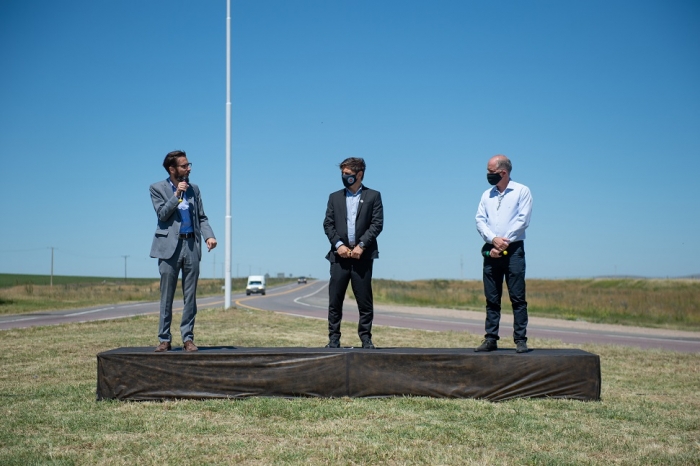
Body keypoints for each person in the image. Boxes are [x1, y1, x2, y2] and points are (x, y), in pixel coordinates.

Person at [150, 150, 217, 352]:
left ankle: (188, 338)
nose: (189, 168)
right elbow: (162, 214)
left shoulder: (194, 190)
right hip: (168, 248)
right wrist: (177, 194)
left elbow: (202, 217)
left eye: (189, 165)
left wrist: (209, 236)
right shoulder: (157, 188)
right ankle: (164, 339)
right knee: (167, 296)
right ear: (172, 169)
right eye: (184, 165)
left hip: (191, 246)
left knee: (190, 296)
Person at [323, 157, 384, 349]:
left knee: (364, 300)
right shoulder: (334, 197)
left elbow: (377, 224)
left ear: (359, 174)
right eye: (343, 173)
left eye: (348, 174)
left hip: (362, 257)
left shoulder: (373, 196)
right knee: (335, 300)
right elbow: (328, 224)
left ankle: (365, 338)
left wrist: (362, 245)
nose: (344, 177)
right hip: (339, 258)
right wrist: (339, 245)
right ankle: (334, 339)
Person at [474, 154, 533, 353]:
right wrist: (493, 240)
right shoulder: (486, 195)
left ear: (503, 172)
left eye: (490, 172)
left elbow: (523, 220)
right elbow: (480, 220)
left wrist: (503, 241)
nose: (487, 175)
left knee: (517, 297)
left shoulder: (521, 191)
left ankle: (520, 340)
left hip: (514, 250)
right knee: (492, 297)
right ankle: (491, 338)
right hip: (491, 250)